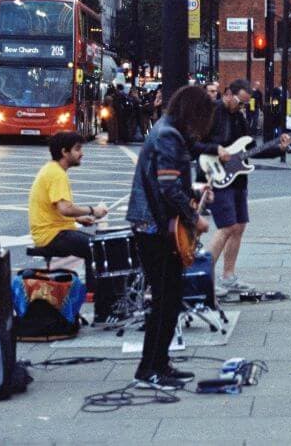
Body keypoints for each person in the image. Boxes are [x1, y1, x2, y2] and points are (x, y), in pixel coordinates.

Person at [125, 85, 215, 390]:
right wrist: (195, 218)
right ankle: (148, 369)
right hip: (154, 228)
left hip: (157, 225)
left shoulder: (168, 131)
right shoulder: (167, 135)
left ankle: (160, 363)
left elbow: (171, 182)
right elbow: (167, 187)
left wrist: (197, 194)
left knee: (171, 298)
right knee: (165, 299)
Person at [197, 80, 287, 296]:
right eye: (239, 102)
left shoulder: (239, 117)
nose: (242, 107)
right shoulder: (212, 113)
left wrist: (277, 148)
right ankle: (202, 277)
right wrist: (216, 148)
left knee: (239, 226)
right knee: (226, 226)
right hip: (215, 176)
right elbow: (194, 144)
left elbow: (251, 150)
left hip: (237, 179)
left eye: (246, 104)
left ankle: (228, 276)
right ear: (228, 94)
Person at [28, 131, 108, 289]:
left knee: (95, 245)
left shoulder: (52, 169)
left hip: (52, 231)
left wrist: (77, 220)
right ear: (65, 152)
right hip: (52, 235)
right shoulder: (57, 174)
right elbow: (65, 208)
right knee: (96, 247)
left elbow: (54, 208)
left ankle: (94, 290)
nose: (82, 154)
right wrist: (93, 210)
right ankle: (94, 293)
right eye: (77, 149)